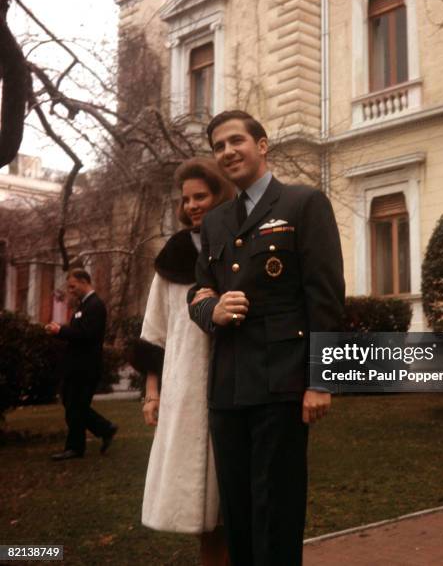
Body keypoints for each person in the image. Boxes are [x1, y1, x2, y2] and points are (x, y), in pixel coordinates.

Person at [189, 110, 345, 566]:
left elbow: (326, 298)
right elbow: (198, 294)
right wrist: (211, 310)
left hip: (282, 383)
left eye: (236, 140)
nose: (227, 152)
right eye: (218, 146)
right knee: (236, 510)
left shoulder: (303, 204)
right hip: (228, 387)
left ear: (261, 145)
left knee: (276, 507)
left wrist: (320, 380)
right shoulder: (216, 222)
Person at [134, 158, 233, 566]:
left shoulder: (239, 247)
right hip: (184, 390)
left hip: (233, 382)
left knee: (233, 502)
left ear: (220, 195)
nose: (193, 205)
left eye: (202, 196)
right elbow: (154, 333)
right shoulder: (171, 259)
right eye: (187, 199)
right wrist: (152, 395)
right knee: (201, 509)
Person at [46, 269, 117, 460]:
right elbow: (79, 331)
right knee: (73, 404)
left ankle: (76, 447)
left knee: (76, 406)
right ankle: (105, 428)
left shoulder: (95, 306)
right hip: (76, 366)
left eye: (72, 286)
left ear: (84, 281)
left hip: (86, 367)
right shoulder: (83, 306)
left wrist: (60, 330)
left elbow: (87, 335)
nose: (70, 290)